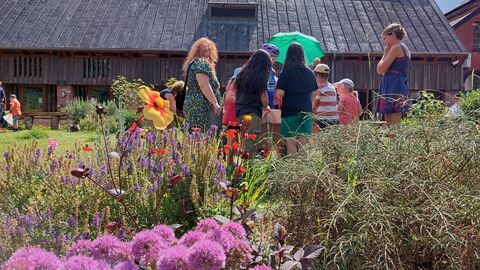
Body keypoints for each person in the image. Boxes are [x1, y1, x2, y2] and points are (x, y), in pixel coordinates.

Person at [276, 43, 318, 156]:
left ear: (288, 55)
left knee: (291, 141)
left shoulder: (285, 72)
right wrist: (308, 100)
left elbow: (280, 93)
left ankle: (292, 169)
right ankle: (302, 169)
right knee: (303, 141)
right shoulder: (309, 72)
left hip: (290, 110)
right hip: (306, 110)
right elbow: (315, 91)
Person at [235, 50, 272, 156]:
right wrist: (266, 106)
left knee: (245, 138)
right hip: (252, 113)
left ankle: (243, 164)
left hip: (240, 112)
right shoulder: (261, 76)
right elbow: (263, 95)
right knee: (251, 139)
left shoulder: (241, 74)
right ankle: (249, 168)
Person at [183, 38, 222, 130]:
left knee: (196, 137)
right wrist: (215, 103)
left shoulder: (193, 63)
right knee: (206, 135)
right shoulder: (201, 63)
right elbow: (204, 85)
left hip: (193, 104)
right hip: (203, 106)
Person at [377, 23, 411, 125]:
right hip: (398, 83)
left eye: (385, 38)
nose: (384, 41)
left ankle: (394, 140)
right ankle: (393, 140)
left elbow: (380, 69)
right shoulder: (404, 47)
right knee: (392, 120)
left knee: (392, 122)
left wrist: (385, 53)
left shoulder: (396, 47)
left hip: (393, 84)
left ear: (392, 34)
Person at [312, 64, 339, 129]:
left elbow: (313, 106)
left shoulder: (320, 88)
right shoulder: (331, 86)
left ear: (317, 75)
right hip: (334, 119)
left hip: (323, 120)